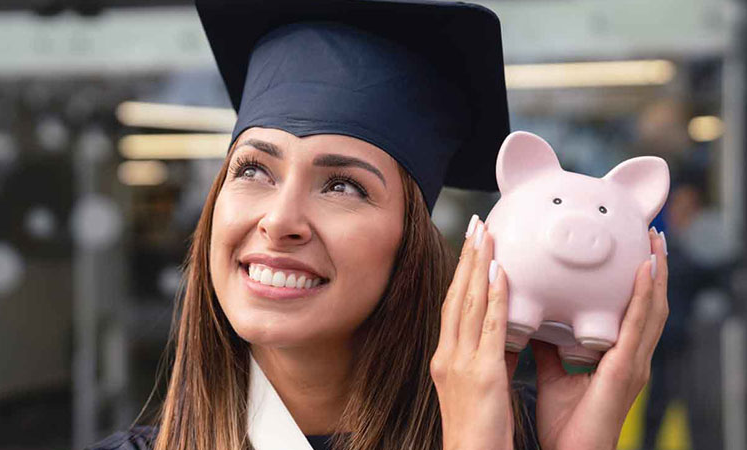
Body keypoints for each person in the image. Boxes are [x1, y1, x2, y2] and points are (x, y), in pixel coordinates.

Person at [86, 0, 670, 449]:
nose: (281, 219)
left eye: (343, 185)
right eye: (254, 170)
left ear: (410, 244)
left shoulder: (514, 435)